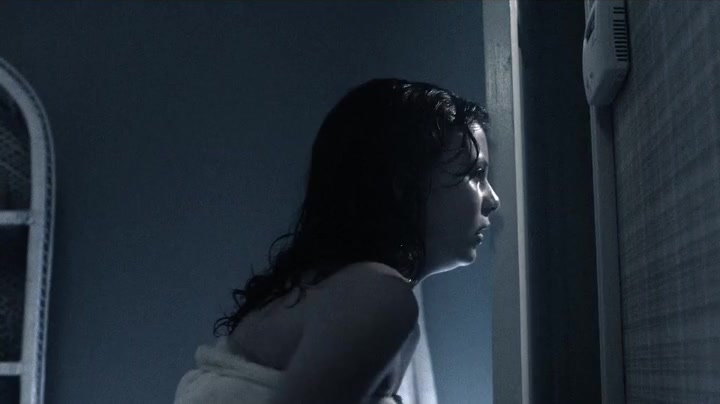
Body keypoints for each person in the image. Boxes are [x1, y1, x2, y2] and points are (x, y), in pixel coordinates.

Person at [173, 78, 501, 404]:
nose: (493, 199)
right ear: (403, 182)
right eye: (474, 174)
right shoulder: (375, 297)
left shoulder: (339, 288)